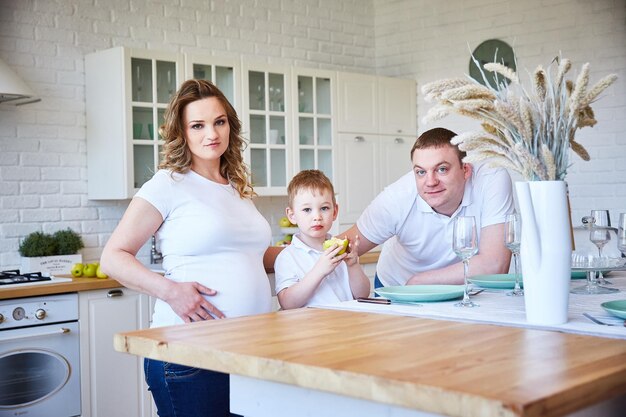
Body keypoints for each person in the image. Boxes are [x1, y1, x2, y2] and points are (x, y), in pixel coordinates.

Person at [101, 79, 281, 417]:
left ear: (231, 125)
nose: (211, 133)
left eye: (219, 121)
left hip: (249, 349)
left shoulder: (237, 187)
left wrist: (310, 254)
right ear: (182, 133)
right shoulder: (168, 184)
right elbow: (113, 257)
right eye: (197, 125)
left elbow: (253, 257)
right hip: (189, 353)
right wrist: (171, 291)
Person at [340, 127, 514, 288]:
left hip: (456, 288)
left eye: (442, 169)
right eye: (421, 172)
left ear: (465, 170)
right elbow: (338, 248)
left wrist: (420, 280)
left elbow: (495, 264)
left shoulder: (491, 178)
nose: (430, 182)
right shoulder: (396, 198)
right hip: (398, 287)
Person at [275, 170, 370, 309]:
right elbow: (287, 304)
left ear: (335, 212)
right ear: (292, 215)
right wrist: (319, 271)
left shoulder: (342, 250)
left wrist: (353, 266)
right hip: (310, 328)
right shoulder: (287, 257)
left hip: (347, 323)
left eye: (324, 208)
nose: (317, 216)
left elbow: (363, 295)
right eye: (307, 210)